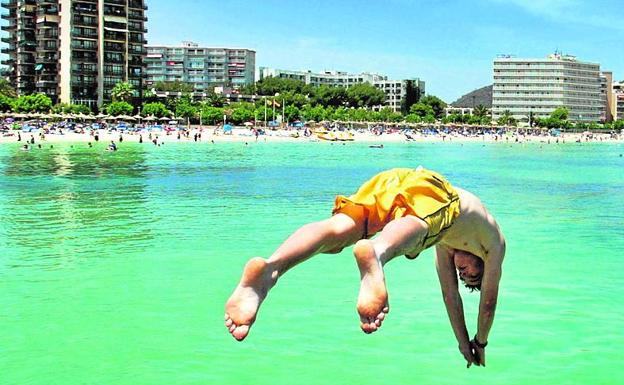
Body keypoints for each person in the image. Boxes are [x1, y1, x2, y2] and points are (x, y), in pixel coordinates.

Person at [224, 167, 506, 367]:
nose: (463, 274)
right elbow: (488, 302)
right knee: (416, 231)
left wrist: (461, 343)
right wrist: (480, 343)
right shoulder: (494, 245)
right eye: (472, 274)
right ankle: (378, 253)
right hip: (433, 189)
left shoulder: (445, 243)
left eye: (464, 277)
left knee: (341, 230)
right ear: (481, 261)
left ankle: (271, 269)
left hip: (393, 179)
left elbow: (450, 296)